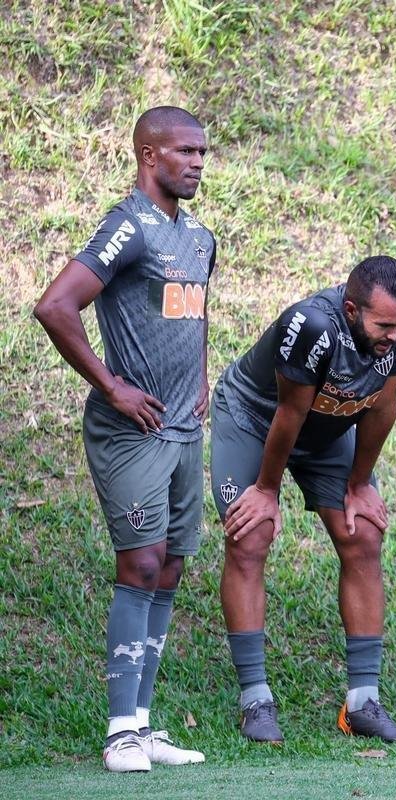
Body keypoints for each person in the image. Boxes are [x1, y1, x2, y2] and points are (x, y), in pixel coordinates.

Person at [34, 107, 214, 772]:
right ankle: (118, 735)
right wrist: (112, 386)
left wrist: (201, 379)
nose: (196, 162)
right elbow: (55, 306)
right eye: (184, 151)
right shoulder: (127, 227)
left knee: (168, 566)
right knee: (139, 565)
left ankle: (142, 723)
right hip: (130, 431)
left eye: (202, 152)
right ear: (148, 155)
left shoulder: (198, 237)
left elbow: (196, 313)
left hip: (183, 430)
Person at [212, 255, 396, 745]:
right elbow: (288, 412)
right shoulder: (311, 325)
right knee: (251, 534)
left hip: (329, 425)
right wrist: (266, 491)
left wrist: (360, 482)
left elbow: (384, 404)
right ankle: (255, 700)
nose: (394, 334)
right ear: (351, 309)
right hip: (256, 419)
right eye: (383, 325)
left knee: (363, 533)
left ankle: (363, 704)